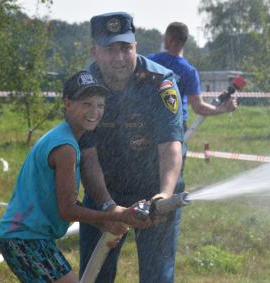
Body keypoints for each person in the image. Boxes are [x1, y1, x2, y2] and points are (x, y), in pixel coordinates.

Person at [0, 70, 147, 283]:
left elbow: (61, 197)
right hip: (25, 240)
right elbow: (67, 210)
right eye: (86, 104)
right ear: (68, 103)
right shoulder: (65, 147)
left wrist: (101, 225)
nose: (94, 112)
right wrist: (116, 216)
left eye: (100, 105)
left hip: (29, 238)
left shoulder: (64, 137)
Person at [79, 12, 184, 283]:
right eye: (110, 49)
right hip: (104, 190)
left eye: (126, 47)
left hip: (155, 192)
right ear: (94, 52)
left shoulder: (160, 82)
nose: (119, 57)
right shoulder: (83, 88)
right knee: (95, 275)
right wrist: (106, 206)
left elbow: (171, 144)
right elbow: (88, 156)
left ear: (136, 46)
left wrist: (164, 194)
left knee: (157, 277)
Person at [147, 22, 238, 131]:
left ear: (170, 40)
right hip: (175, 127)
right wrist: (224, 109)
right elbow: (198, 107)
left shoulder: (151, 61)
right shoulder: (189, 72)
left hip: (150, 123)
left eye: (164, 37)